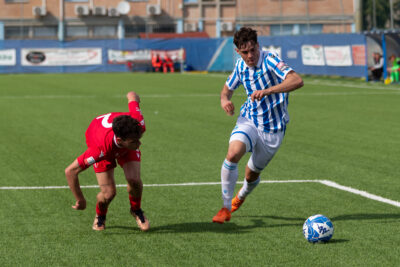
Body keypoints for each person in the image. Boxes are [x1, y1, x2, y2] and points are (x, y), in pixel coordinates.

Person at [212, 27, 304, 224]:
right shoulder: (240, 67)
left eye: (253, 49)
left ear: (258, 46)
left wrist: (269, 90)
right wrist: (224, 102)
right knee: (233, 154)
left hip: (273, 129)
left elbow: (297, 80)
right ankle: (225, 207)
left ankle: (241, 196)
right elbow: (225, 91)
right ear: (238, 52)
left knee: (251, 174)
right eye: (245, 52)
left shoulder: (270, 59)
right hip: (249, 120)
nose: (250, 55)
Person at [64, 91, 150, 231]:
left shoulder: (138, 125)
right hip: (103, 143)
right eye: (135, 141)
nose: (139, 144)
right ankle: (100, 215)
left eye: (139, 139)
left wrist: (134, 97)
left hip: (123, 143)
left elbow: (132, 95)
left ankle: (136, 210)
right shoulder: (100, 150)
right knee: (108, 193)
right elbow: (70, 171)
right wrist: (80, 199)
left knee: (134, 180)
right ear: (121, 140)